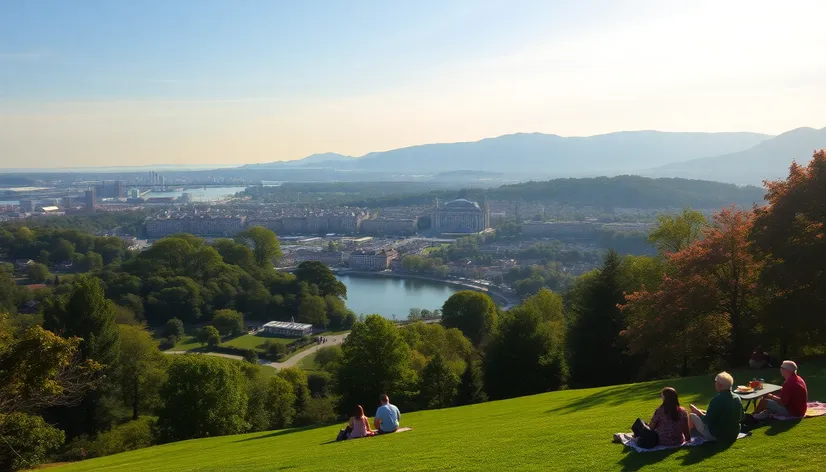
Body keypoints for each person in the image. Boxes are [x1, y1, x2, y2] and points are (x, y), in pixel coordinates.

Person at [688, 372, 743, 443]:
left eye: (716, 382)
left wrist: (697, 411)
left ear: (720, 385)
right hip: (734, 433)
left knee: (692, 416)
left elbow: (706, 420)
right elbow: (741, 417)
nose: (715, 384)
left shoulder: (716, 400)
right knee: (702, 412)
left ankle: (689, 439)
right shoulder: (737, 398)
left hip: (717, 435)